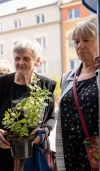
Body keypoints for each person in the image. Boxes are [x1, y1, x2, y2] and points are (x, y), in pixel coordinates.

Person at [0, 39, 56, 171]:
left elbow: (52, 116)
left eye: (26, 59)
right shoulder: (2, 83)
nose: (20, 62)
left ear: (37, 61)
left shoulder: (46, 85)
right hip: (3, 152)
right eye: (17, 58)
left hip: (35, 153)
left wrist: (44, 130)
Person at [56, 18, 99, 171]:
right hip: (71, 153)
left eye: (86, 40)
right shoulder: (68, 77)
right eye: (76, 41)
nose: (80, 46)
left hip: (96, 154)